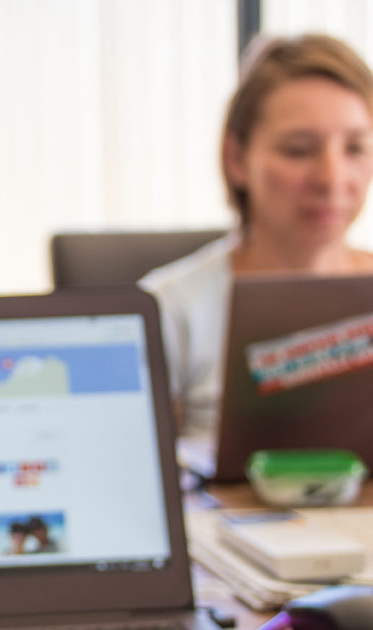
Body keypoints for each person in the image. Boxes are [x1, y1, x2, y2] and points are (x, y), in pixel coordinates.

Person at [140, 33, 373, 442]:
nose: (332, 179)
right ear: (237, 159)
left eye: (355, 148)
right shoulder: (167, 310)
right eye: (299, 150)